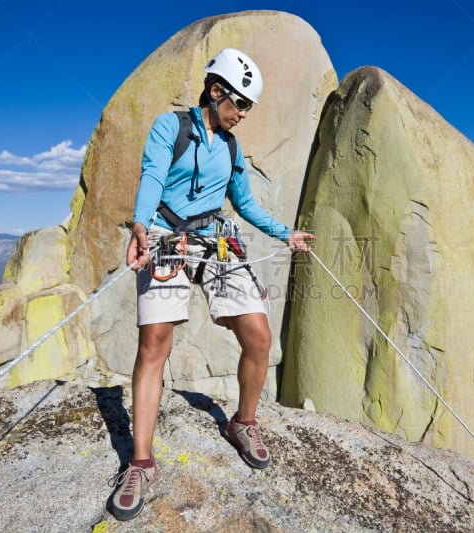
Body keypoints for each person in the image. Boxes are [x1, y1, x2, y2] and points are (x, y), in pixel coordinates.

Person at [108, 48, 315, 521]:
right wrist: (141, 225)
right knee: (154, 345)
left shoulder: (231, 148)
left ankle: (243, 424)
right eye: (239, 104)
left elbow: (243, 203)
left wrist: (286, 232)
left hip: (215, 236)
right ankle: (141, 463)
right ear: (216, 90)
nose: (243, 114)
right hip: (164, 233)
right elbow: (152, 176)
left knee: (260, 336)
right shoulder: (170, 128)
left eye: (248, 108)